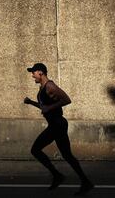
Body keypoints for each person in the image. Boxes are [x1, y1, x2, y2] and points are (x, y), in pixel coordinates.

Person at [24, 63, 94, 196]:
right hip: (55, 124)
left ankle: (60, 176)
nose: (32, 75)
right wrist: (31, 102)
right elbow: (44, 106)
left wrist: (49, 109)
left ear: (41, 72)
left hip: (58, 124)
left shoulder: (50, 86)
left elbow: (67, 99)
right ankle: (82, 181)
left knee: (36, 150)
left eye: (33, 72)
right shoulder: (42, 88)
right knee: (66, 155)